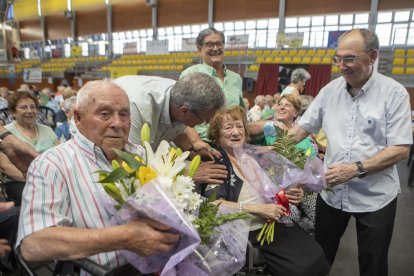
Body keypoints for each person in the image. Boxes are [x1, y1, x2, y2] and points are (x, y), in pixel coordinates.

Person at [16, 79, 179, 271]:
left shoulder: (144, 155)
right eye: (105, 114)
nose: (117, 123)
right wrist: (123, 237)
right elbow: (33, 244)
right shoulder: (52, 164)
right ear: (78, 117)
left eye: (124, 114)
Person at [288, 29, 412, 276]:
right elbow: (302, 128)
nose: (342, 66)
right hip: (332, 194)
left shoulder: (394, 93)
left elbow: (400, 150)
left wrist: (356, 168)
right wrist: (271, 152)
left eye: (350, 59)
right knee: (319, 257)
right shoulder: (330, 91)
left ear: (372, 56)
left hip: (375, 197)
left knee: (373, 263)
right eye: (338, 59)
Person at [203, 106, 330, 276]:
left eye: (239, 126)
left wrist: (288, 195)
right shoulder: (219, 162)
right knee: (301, 268)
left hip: (271, 221)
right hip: (248, 229)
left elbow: (269, 190)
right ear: (216, 135)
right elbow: (212, 205)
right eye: (228, 127)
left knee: (316, 255)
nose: (235, 132)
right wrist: (259, 209)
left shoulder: (250, 156)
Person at [114, 72, 224, 160]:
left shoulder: (180, 95)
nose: (205, 124)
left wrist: (192, 153)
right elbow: (133, 160)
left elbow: (177, 128)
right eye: (204, 120)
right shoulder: (139, 107)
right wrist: (189, 173)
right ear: (184, 111)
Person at [249, 95, 317, 233]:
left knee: (318, 217)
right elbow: (247, 130)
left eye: (287, 105)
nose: (282, 107)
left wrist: (301, 189)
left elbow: (311, 169)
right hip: (273, 190)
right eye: (280, 104)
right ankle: (293, 239)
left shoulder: (303, 136)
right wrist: (271, 125)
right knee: (292, 216)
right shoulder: (268, 130)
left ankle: (300, 240)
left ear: (296, 112)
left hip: (298, 189)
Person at [180, 27, 244, 142]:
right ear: (200, 49)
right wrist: (196, 142)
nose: (215, 48)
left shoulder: (236, 78)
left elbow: (240, 112)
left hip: (232, 142)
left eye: (218, 44)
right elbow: (181, 115)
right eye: (210, 44)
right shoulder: (190, 74)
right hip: (203, 143)